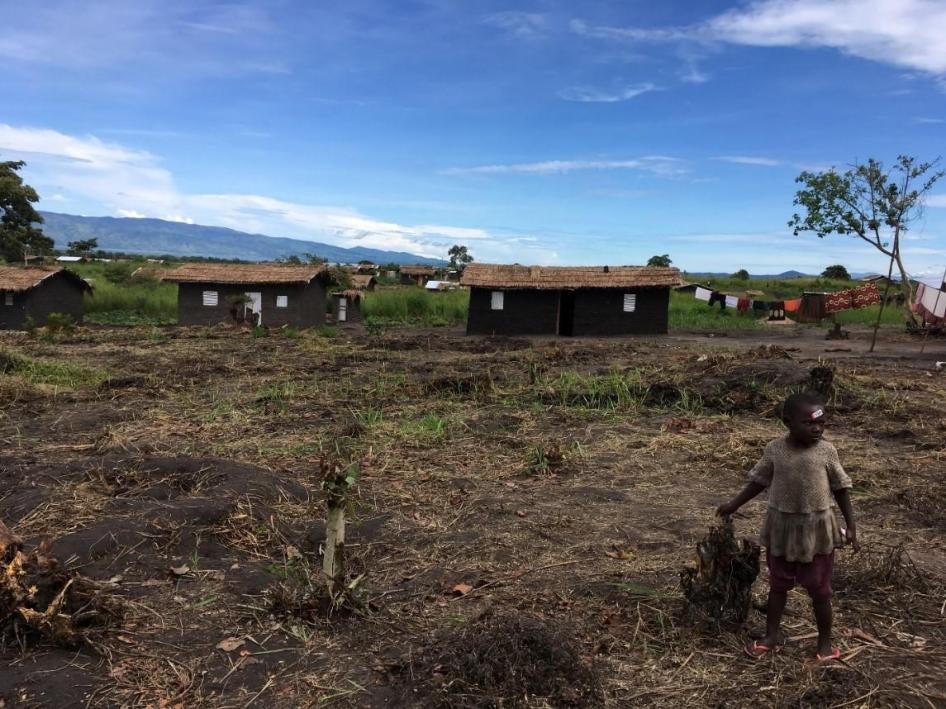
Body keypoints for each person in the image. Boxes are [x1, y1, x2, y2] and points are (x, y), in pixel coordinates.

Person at [716, 391, 859, 661]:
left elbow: (841, 489)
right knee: (778, 586)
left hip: (816, 532)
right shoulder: (775, 450)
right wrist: (734, 505)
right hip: (781, 529)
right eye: (809, 423)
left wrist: (851, 525)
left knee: (819, 590)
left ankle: (824, 644)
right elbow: (758, 481)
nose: (817, 429)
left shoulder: (827, 451)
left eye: (821, 423)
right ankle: (771, 636)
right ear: (787, 422)